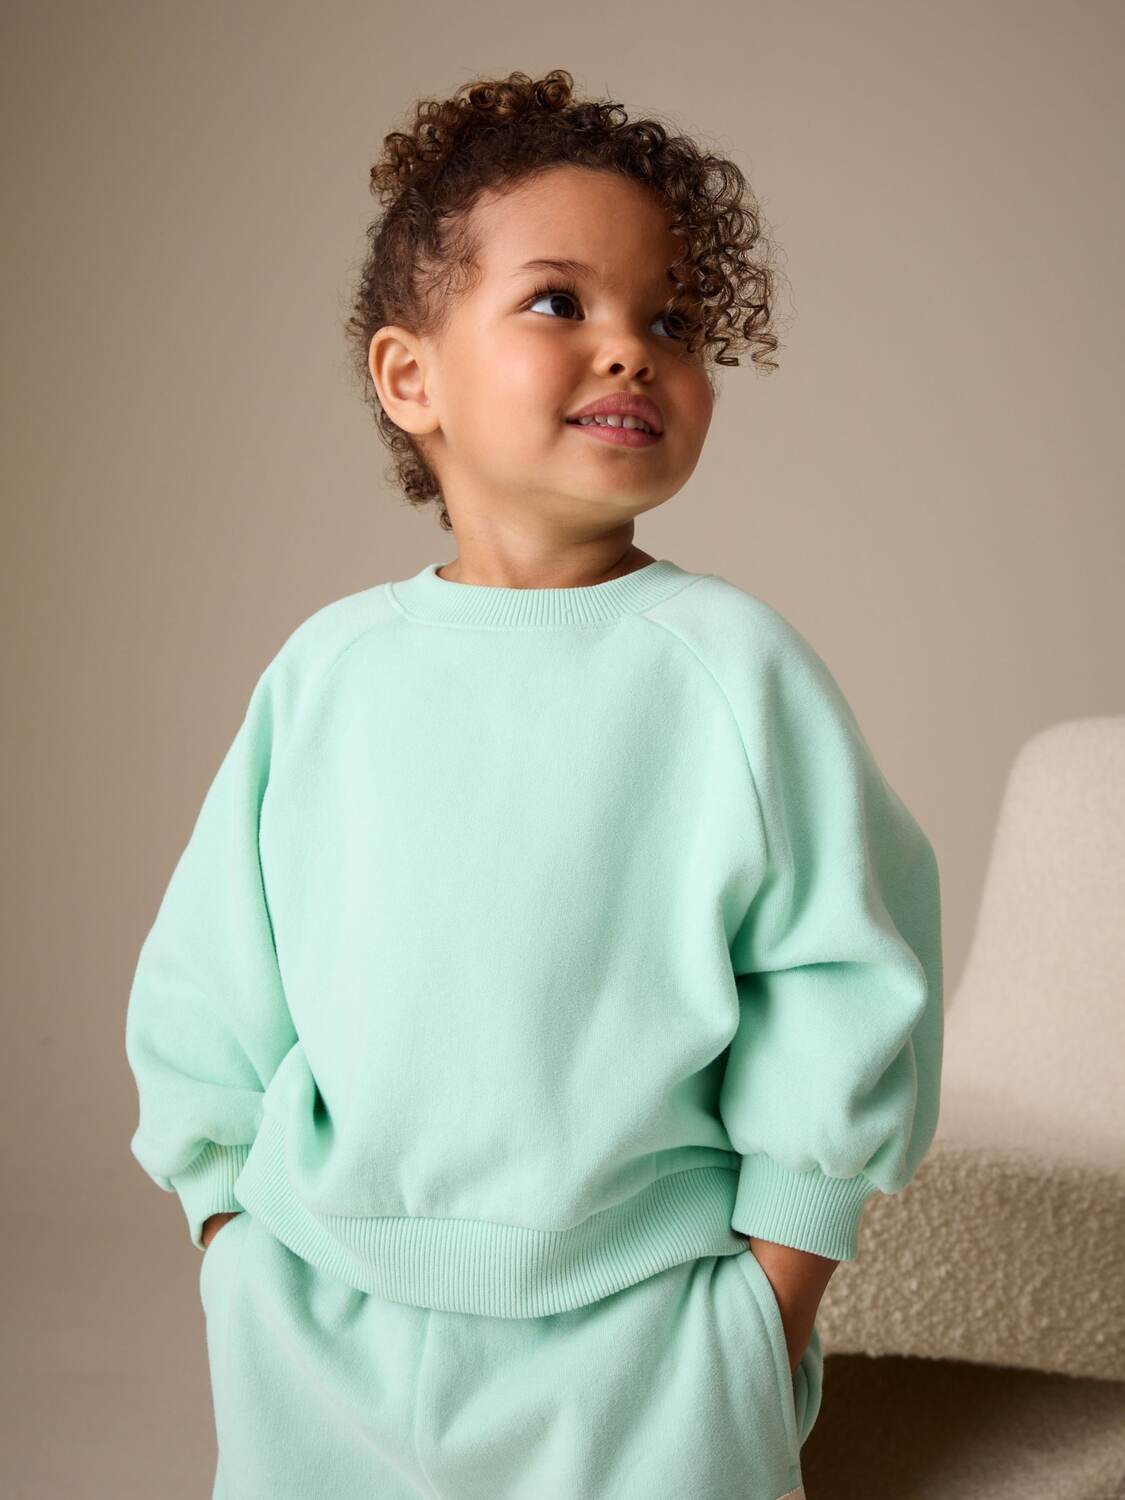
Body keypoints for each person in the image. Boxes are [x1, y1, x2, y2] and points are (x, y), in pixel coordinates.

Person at [124, 67, 943, 1500]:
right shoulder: (328, 674)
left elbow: (841, 980)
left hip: (647, 1334)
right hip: (319, 1324)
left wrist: (769, 1300)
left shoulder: (729, 669)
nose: (630, 349)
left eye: (672, 321)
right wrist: (229, 1237)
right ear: (411, 378)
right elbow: (210, 983)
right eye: (561, 302)